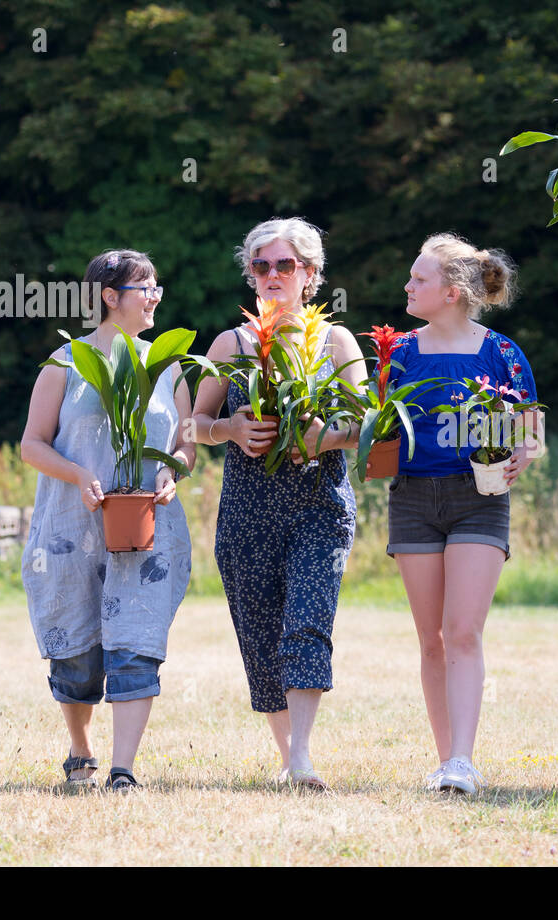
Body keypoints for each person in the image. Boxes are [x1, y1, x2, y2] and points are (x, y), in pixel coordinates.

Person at [191, 217, 365, 791]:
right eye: (260, 265)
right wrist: (231, 430)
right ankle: (289, 755)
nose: (270, 275)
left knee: (307, 621)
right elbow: (197, 425)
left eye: (283, 265)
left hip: (319, 501)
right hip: (247, 505)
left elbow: (363, 422)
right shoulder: (230, 344)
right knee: (260, 631)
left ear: (309, 275)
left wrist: (328, 436)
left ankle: (303, 757)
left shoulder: (335, 342)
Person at [20, 249, 193, 791]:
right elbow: (31, 444)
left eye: (157, 286)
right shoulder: (66, 363)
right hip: (72, 527)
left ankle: (124, 768)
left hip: (146, 523)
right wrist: (75, 474)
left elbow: (186, 443)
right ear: (110, 297)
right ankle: (81, 751)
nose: (155, 298)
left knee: (135, 641)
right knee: (77, 650)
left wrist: (174, 473)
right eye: (145, 289)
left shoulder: (168, 366)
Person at [389, 233, 542, 794]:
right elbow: (375, 423)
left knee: (463, 632)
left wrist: (522, 453)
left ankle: (462, 760)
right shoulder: (399, 352)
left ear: (451, 292)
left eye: (419, 279)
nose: (407, 286)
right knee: (431, 638)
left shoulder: (501, 353)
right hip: (411, 498)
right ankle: (444, 760)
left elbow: (529, 427)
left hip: (479, 497)